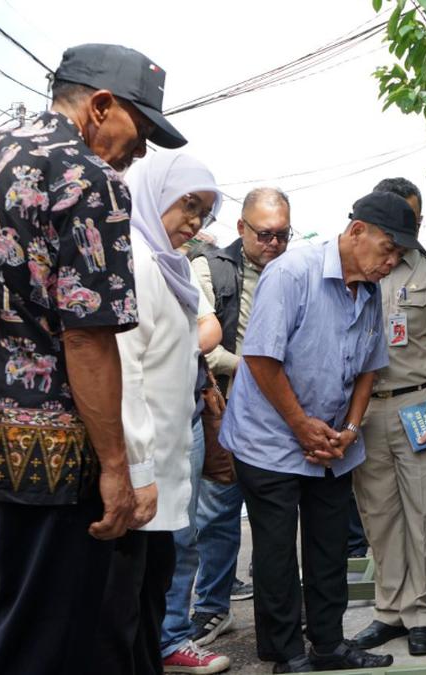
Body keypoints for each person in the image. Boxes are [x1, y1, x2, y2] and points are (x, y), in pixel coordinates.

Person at [0, 43, 187, 674]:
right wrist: (116, 466)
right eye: (141, 134)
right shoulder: (87, 177)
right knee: (42, 650)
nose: (141, 154)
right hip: (42, 462)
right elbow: (89, 337)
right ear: (102, 105)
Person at [219, 191, 421, 673]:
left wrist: (349, 427)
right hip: (269, 439)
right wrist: (300, 425)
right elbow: (261, 358)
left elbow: (371, 366)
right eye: (388, 249)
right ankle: (287, 653)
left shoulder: (370, 292)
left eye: (399, 257)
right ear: (357, 231)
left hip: (331, 442)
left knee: (330, 546)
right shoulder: (291, 273)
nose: (391, 263)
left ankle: (329, 646)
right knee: (276, 552)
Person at [88, 151, 226, 675]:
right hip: (140, 474)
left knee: (149, 603)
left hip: (165, 466)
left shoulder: (171, 267)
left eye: (203, 213)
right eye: (188, 205)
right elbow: (125, 376)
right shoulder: (137, 264)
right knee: (122, 614)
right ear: (153, 194)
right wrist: (137, 472)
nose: (193, 221)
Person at [161, 187, 292, 657]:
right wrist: (263, 372)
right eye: (264, 235)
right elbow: (207, 344)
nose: (274, 244)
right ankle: (210, 609)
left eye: (282, 235)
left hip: (280, 414)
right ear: (241, 229)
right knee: (214, 513)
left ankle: (274, 622)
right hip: (225, 404)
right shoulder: (208, 267)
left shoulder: (292, 273)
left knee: (273, 519)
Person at [349, 178, 426, 656]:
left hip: (420, 406)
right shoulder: (359, 271)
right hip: (368, 410)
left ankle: (423, 613)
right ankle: (390, 610)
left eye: (412, 221)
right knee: (379, 517)